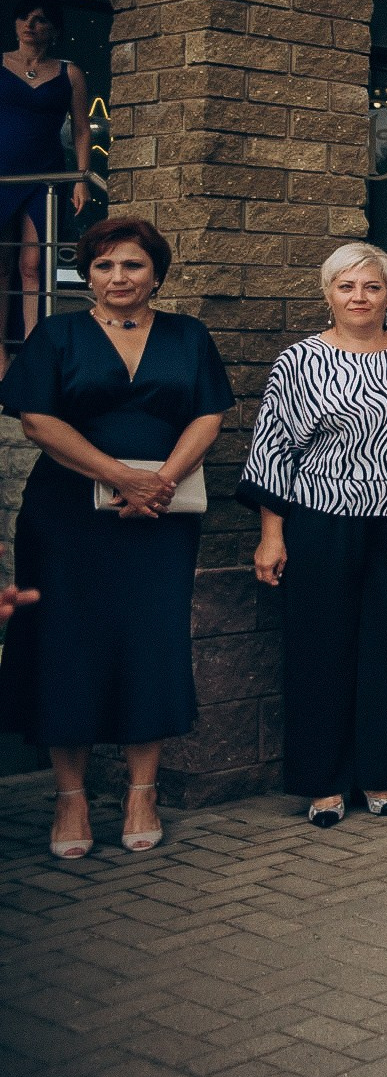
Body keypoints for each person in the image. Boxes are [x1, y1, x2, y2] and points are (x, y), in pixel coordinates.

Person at [0, 216, 229, 860]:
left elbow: (209, 414)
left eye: (132, 264)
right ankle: (70, 798)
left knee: (150, 643)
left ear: (156, 274)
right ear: (87, 274)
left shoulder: (188, 335)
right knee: (63, 645)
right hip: (66, 519)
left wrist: (161, 482)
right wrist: (120, 477)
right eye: (104, 266)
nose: (118, 277)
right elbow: (37, 422)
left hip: (162, 515)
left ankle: (141, 793)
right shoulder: (58, 334)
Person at [241, 242, 387, 828]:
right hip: (320, 522)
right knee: (320, 650)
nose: (359, 297)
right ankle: (323, 784)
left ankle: (379, 775)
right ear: (328, 293)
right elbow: (273, 449)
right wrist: (272, 535)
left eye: (372, 287)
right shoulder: (299, 361)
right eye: (346, 286)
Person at [0, 0, 94, 340]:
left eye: (39, 19)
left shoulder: (70, 72)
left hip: (46, 176)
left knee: (34, 264)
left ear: (54, 30)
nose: (30, 25)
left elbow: (81, 129)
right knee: (1, 265)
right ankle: (0, 353)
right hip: (2, 175)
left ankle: (33, 345)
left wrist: (82, 178)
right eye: (23, 17)